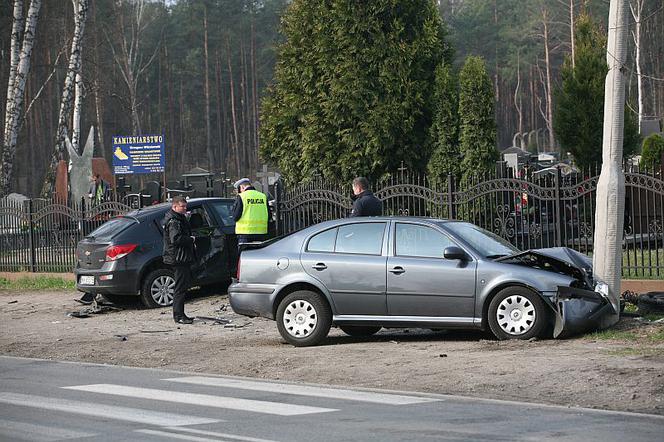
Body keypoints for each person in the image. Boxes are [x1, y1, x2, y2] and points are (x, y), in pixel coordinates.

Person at [162, 196, 196, 324]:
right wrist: (191, 239)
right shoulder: (174, 221)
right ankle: (179, 316)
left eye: (185, 206)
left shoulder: (178, 218)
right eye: (182, 206)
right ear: (175, 207)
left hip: (181, 256)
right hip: (178, 257)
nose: (185, 208)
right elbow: (175, 239)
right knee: (180, 288)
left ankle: (181, 314)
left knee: (182, 286)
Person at [232, 178, 269, 251]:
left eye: (239, 189)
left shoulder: (242, 197)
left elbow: (235, 216)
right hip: (261, 233)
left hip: (245, 234)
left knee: (245, 258)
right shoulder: (262, 196)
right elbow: (269, 214)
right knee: (258, 257)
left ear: (242, 187)